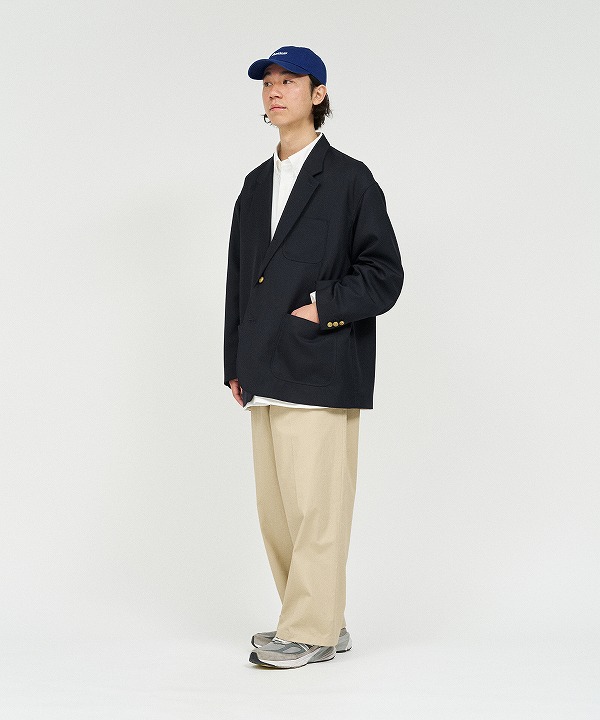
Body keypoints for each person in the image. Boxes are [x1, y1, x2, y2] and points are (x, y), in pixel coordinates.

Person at [223, 46, 404, 669]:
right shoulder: (255, 185)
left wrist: (323, 307)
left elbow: (384, 275)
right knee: (277, 515)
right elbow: (239, 279)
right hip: (263, 368)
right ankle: (317, 620)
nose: (275, 91)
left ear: (318, 94)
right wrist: (234, 361)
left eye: (289, 81)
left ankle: (310, 629)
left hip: (322, 366)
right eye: (267, 83)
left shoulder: (350, 179)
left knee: (317, 510)